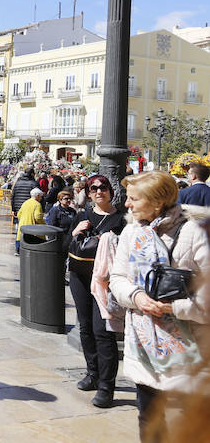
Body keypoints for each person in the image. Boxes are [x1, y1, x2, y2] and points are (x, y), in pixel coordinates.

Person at [110, 171, 210, 441]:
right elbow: (117, 278)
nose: (127, 204)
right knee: (149, 418)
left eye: (133, 199)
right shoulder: (132, 230)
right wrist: (137, 297)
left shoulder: (193, 232)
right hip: (144, 345)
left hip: (191, 349)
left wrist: (173, 308)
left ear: (157, 202)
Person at [69, 174, 125, 408]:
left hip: (105, 281)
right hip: (80, 275)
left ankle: (106, 387)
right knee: (85, 328)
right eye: (94, 188)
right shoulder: (83, 216)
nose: (99, 191)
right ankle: (93, 374)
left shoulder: (121, 220)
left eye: (103, 188)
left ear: (110, 191)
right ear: (89, 193)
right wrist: (74, 233)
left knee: (103, 331)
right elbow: (67, 246)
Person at [11, 168, 40, 254]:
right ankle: (27, 247)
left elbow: (13, 196)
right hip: (30, 208)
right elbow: (38, 196)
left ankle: (18, 248)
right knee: (30, 229)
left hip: (19, 208)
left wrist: (13, 209)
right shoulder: (33, 183)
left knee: (20, 229)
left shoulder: (18, 183)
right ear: (32, 174)